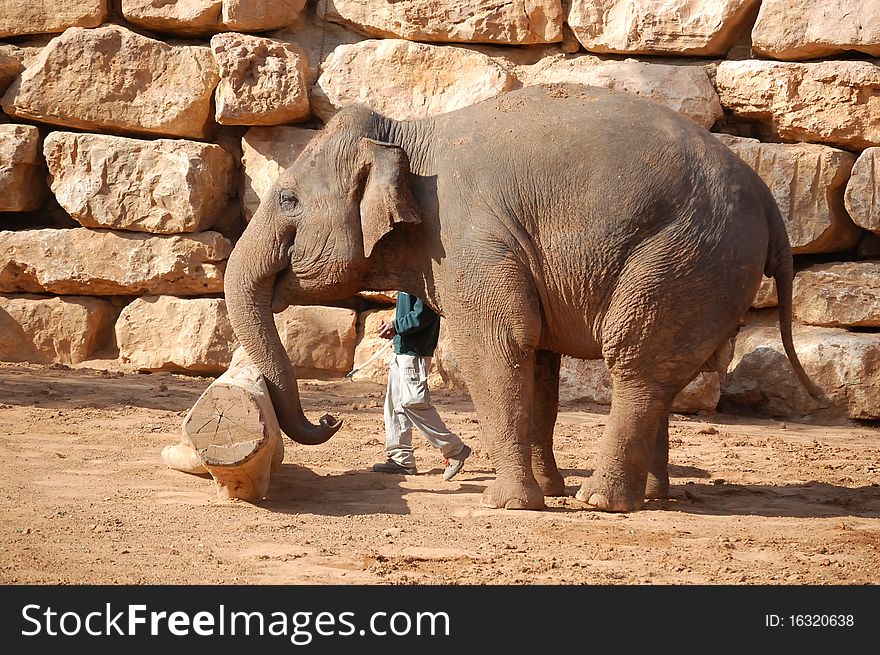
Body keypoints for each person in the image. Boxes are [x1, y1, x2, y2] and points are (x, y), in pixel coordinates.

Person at [372, 291, 471, 480]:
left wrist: (396, 325)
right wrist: (395, 327)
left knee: (413, 402)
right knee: (395, 404)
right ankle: (401, 459)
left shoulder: (421, 280)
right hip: (403, 349)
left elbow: (423, 315)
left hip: (415, 351)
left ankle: (454, 449)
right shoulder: (408, 277)